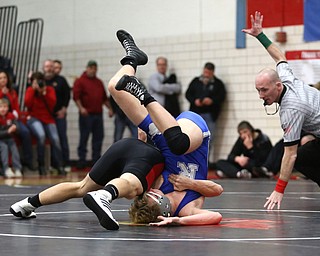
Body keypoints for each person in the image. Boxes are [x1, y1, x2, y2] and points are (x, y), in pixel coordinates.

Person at [83, 29, 223, 229]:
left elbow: (148, 162)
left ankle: (132, 58)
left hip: (163, 138)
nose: (151, 191)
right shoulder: (187, 208)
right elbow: (216, 199)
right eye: (153, 196)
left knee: (115, 87)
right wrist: (185, 201)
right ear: (163, 206)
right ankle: (144, 96)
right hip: (191, 136)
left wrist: (143, 144)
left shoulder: (155, 189)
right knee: (179, 143)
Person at [10, 133, 222, 230]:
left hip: (126, 147)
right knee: (132, 188)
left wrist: (177, 220)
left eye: (151, 195)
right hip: (142, 155)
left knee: (82, 187)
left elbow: (215, 213)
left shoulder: (166, 196)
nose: (155, 193)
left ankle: (27, 204)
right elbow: (216, 201)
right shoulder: (180, 204)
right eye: (153, 196)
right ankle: (104, 195)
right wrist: (191, 186)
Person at [242, 11, 320, 210]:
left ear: (277, 87)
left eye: (264, 90)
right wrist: (260, 35)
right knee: (306, 154)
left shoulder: (291, 109)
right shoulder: (285, 77)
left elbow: (290, 154)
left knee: (299, 156)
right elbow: (279, 55)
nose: (261, 95)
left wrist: (279, 189)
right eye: (258, 90)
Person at [24, 71, 65, 176]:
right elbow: (27, 104)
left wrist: (44, 93)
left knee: (55, 139)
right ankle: (41, 165)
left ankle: (60, 165)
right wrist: (33, 90)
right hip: (34, 118)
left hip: (48, 118)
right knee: (41, 136)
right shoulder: (30, 90)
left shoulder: (49, 90)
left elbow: (52, 104)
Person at [73, 60, 111, 168]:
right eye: (91, 68)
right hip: (86, 115)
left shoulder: (99, 82)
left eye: (95, 69)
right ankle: (81, 161)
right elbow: (76, 97)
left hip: (98, 115)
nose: (93, 71)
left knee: (98, 138)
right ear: (87, 68)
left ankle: (96, 161)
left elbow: (104, 98)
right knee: (84, 138)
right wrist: (81, 108)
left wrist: (110, 109)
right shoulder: (80, 81)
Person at [185, 62, 226, 161]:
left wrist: (212, 101)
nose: (206, 74)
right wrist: (195, 101)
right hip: (196, 114)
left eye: (208, 73)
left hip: (210, 114)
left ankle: (205, 161)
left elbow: (221, 97)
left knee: (208, 139)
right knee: (193, 137)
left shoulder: (218, 84)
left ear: (212, 72)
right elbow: (188, 94)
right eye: (205, 72)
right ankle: (192, 160)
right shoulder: (196, 81)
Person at [0, 70, 34, 171]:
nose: (3, 80)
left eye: (4, 78)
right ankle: (5, 167)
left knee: (25, 132)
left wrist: (16, 116)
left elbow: (15, 106)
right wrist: (2, 93)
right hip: (1, 120)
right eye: (0, 78)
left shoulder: (12, 91)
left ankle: (27, 162)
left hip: (12, 118)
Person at [42, 60, 71, 170]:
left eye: (52, 67)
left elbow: (67, 96)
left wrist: (63, 109)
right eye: (48, 66)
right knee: (52, 139)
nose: (50, 69)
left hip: (59, 114)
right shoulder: (43, 81)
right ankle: (54, 164)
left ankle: (65, 162)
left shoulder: (61, 80)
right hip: (47, 115)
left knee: (62, 137)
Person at [0, 98, 22, 178]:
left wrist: (15, 129)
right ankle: (6, 168)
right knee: (4, 148)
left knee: (13, 147)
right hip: (1, 140)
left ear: (8, 108)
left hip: (9, 139)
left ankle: (17, 168)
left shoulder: (11, 116)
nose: (3, 109)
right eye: (1, 107)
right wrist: (8, 131)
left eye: (5, 107)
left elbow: (17, 128)